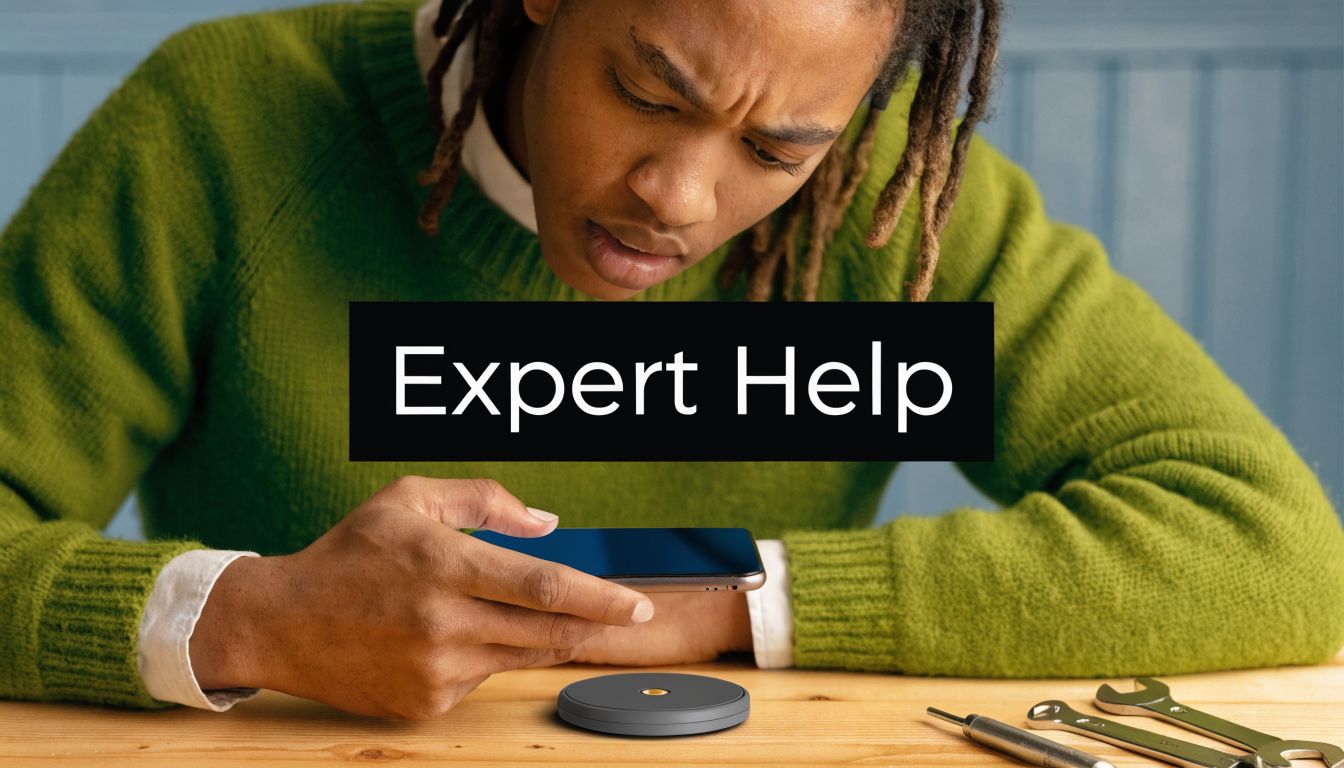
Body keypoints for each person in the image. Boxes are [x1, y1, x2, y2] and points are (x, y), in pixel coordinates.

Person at [1, 0, 1340, 722]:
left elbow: (1268, 544)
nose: (681, 199)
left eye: (776, 149)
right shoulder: (225, 128)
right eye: (648, 93)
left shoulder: (893, 209)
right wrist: (251, 618)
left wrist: (720, 598)